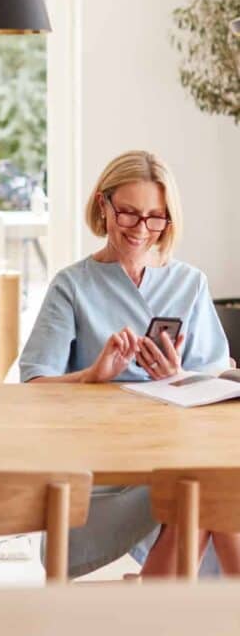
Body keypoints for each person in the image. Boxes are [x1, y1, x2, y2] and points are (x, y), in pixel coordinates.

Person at [20, 150, 240, 577]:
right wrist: (90, 376)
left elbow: (216, 380)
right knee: (207, 491)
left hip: (175, 457)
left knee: (209, 486)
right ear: (103, 206)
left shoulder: (189, 283)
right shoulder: (72, 286)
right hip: (99, 475)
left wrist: (179, 377)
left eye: (156, 218)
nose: (142, 230)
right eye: (129, 214)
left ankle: (154, 608)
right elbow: (32, 390)